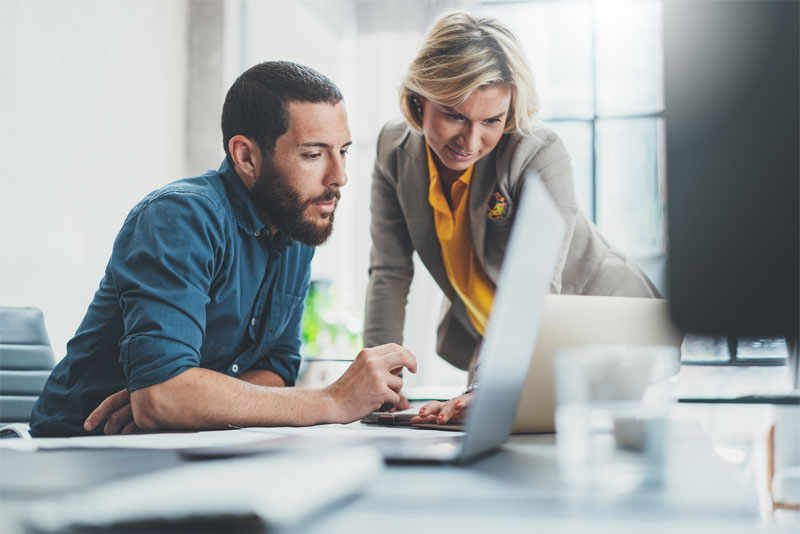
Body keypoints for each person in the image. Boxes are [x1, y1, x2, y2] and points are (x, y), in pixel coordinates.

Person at [30, 61, 416, 437]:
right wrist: (331, 401)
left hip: (182, 446)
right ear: (246, 156)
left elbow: (277, 370)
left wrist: (189, 401)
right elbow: (161, 398)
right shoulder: (179, 217)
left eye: (343, 151)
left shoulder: (295, 226)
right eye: (313, 155)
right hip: (76, 448)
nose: (340, 176)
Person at [363, 10, 658, 426]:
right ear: (419, 100)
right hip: (500, 338)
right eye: (454, 115)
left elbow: (535, 293)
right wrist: (378, 383)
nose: (470, 141)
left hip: (604, 330)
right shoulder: (393, 151)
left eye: (492, 121)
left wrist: (486, 386)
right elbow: (389, 273)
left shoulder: (537, 153)